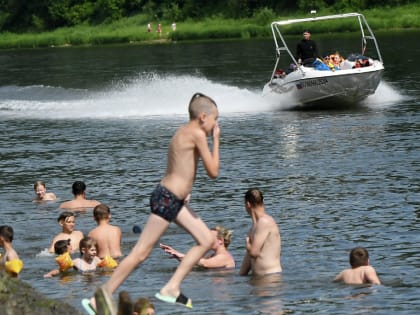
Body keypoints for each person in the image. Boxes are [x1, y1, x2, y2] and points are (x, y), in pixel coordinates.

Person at [84, 92, 220, 313]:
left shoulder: (183, 132)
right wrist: (217, 140)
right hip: (167, 199)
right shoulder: (196, 133)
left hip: (173, 199)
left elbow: (183, 169)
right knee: (140, 253)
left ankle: (172, 287)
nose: (216, 125)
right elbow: (213, 171)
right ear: (203, 117)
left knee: (206, 240)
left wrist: (185, 191)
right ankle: (99, 298)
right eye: (216, 120)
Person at [239, 188, 282, 277]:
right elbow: (249, 257)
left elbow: (254, 252)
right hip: (259, 278)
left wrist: (247, 244)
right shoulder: (255, 226)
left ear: (248, 204)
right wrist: (240, 275)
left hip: (270, 277)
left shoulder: (264, 222)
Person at [160, 225, 235, 269]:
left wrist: (180, 255)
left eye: (210, 237)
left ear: (220, 240)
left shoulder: (224, 257)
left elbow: (204, 263)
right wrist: (177, 255)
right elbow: (195, 263)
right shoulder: (212, 255)